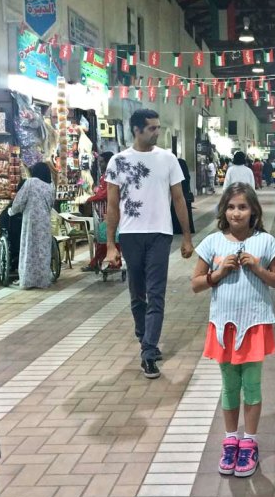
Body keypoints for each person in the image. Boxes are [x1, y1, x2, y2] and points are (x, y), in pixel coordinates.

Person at [192, 183, 275, 477]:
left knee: (252, 386)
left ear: (253, 210)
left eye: (243, 207)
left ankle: (249, 442)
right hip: (223, 326)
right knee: (230, 386)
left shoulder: (266, 242)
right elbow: (196, 284)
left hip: (254, 325)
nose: (236, 213)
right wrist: (218, 273)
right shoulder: (212, 243)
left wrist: (257, 268)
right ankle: (231, 439)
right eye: (231, 207)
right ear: (223, 211)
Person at [104, 109, 193, 379]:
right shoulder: (118, 161)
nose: (157, 132)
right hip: (130, 234)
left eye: (158, 127)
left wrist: (187, 236)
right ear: (137, 130)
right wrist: (110, 245)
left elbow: (179, 198)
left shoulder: (168, 159)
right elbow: (112, 205)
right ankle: (144, 335)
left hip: (160, 234)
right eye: (152, 128)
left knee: (156, 293)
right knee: (137, 294)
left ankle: (149, 351)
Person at [8, 162, 55, 289]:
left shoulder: (30, 183)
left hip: (31, 221)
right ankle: (42, 280)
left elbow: (19, 201)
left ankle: (28, 280)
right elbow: (51, 204)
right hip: (45, 223)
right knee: (42, 251)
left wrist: (11, 211)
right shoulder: (50, 187)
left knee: (29, 249)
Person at [82, 152, 115, 272]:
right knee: (103, 239)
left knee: (103, 239)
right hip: (104, 213)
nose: (100, 165)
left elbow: (105, 194)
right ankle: (99, 262)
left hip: (108, 213)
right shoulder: (106, 176)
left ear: (108, 162)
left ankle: (101, 262)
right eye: (99, 162)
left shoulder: (110, 176)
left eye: (102, 162)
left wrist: (90, 199)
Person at [172, 157, 195, 235]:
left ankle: (177, 228)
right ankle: (189, 228)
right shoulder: (186, 175)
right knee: (187, 212)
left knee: (175, 212)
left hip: (177, 196)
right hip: (186, 196)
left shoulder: (176, 177)